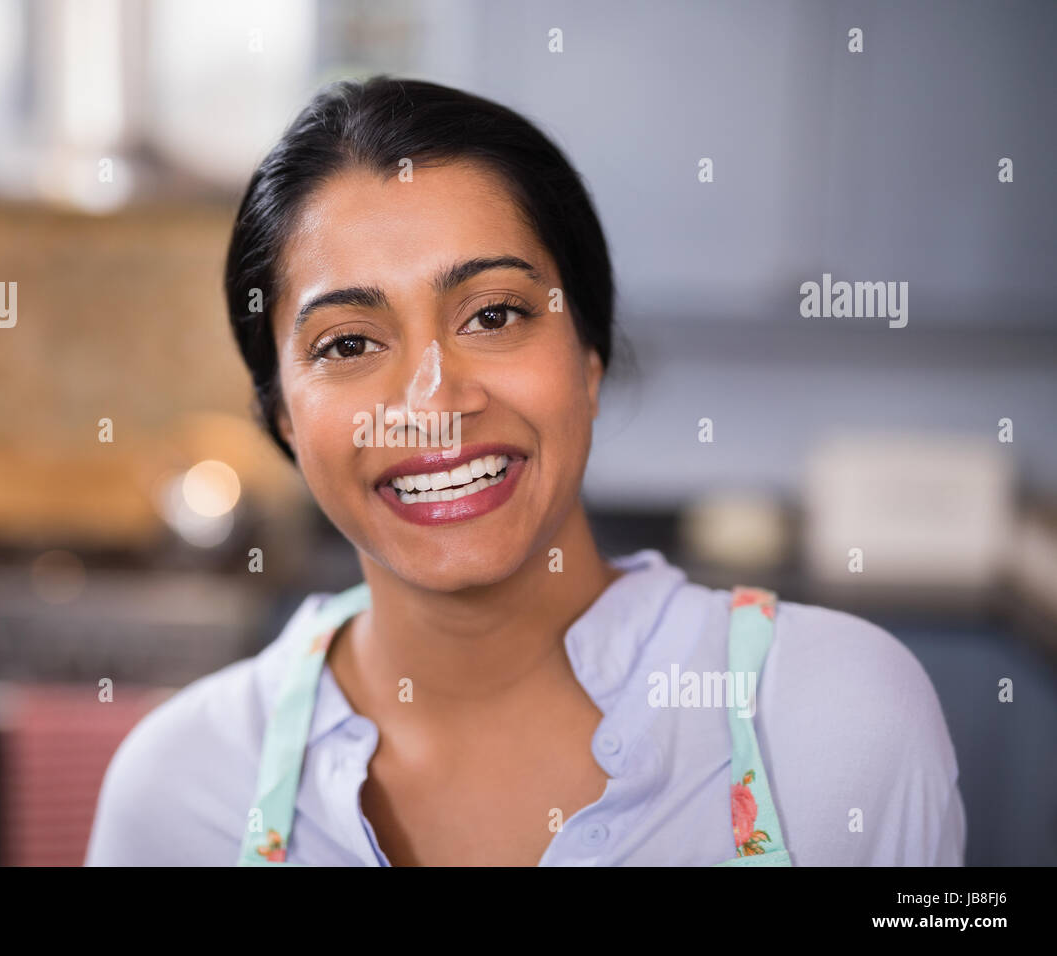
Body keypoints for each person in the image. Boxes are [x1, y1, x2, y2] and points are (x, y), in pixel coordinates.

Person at [85, 75, 965, 867]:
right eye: (348, 343)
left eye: (495, 314)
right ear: (282, 415)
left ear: (588, 358)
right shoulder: (180, 792)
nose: (430, 401)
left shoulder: (837, 718)